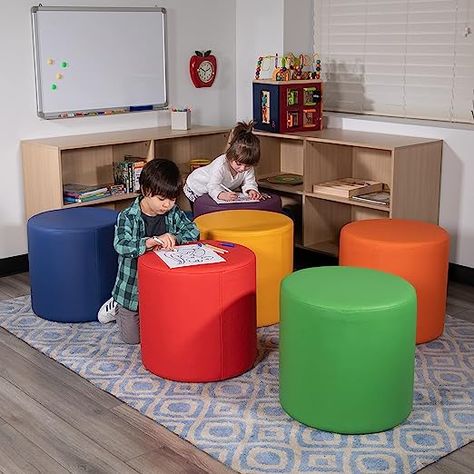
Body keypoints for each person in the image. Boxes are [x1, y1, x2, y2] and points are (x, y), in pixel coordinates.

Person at [98, 159, 199, 344]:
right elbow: (121, 244)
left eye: (173, 199)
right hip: (132, 291)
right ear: (146, 191)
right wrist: (149, 242)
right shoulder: (127, 216)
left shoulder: (173, 212)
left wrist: (176, 238)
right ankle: (116, 305)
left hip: (161, 289)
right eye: (162, 199)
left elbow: (194, 231)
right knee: (133, 340)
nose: (167, 204)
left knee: (162, 334)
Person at [183, 121, 263, 203]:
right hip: (196, 186)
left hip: (216, 188)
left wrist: (251, 190)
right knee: (202, 210)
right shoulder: (221, 164)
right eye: (239, 164)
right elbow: (212, 186)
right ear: (230, 156)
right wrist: (221, 195)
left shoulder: (247, 166)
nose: (243, 168)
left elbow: (249, 182)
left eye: (247, 166)